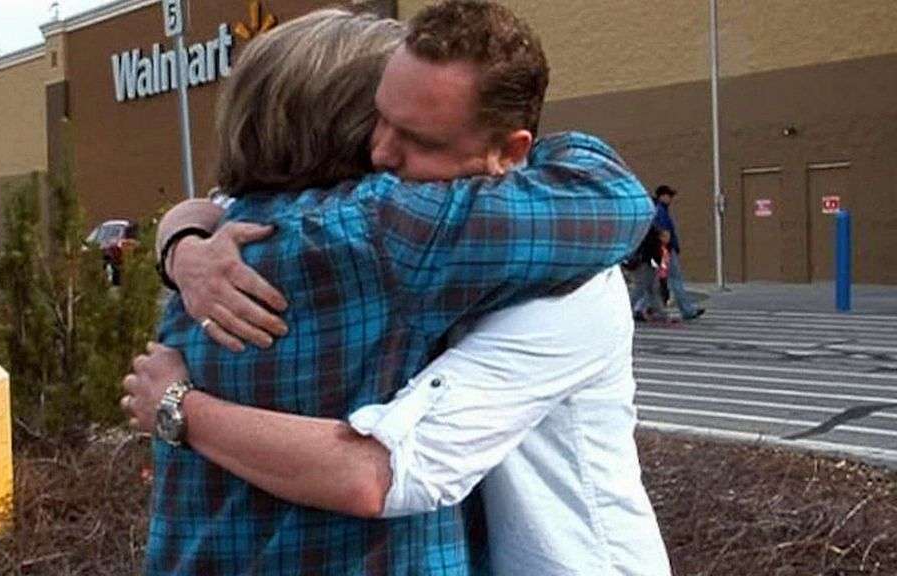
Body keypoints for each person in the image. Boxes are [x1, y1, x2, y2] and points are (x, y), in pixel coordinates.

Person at [122, 3, 666, 575]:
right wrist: (181, 242)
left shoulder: (229, 247)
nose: (383, 151)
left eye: (417, 137)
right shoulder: (384, 232)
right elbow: (617, 196)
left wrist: (178, 397)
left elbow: (381, 472)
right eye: (378, 120)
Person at [652, 184, 705, 320]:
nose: (671, 198)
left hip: (663, 250)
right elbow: (664, 233)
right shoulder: (661, 211)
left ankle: (643, 308)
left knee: (654, 281)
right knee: (675, 280)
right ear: (662, 196)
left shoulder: (659, 210)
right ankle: (687, 310)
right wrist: (668, 247)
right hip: (666, 250)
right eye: (669, 195)